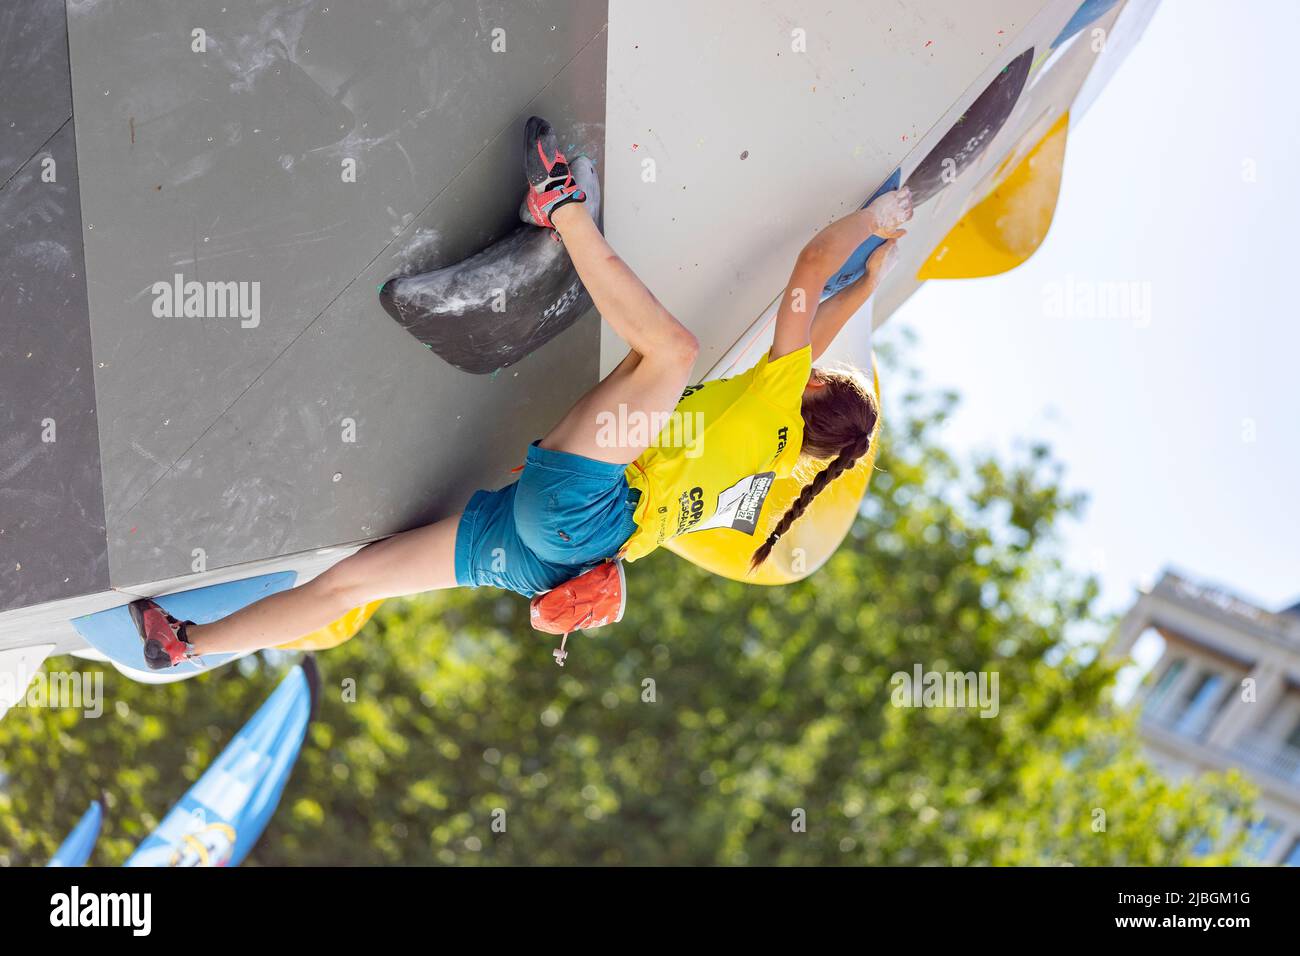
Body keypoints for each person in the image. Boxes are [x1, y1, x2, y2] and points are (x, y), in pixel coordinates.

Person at [130, 117, 913, 669]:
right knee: (350, 585)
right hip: (551, 563)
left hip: (586, 515)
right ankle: (186, 645)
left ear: (814, 385)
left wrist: (874, 224)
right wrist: (863, 291)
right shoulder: (773, 466)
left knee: (672, 353)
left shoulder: (779, 395)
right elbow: (814, 332)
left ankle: (559, 207)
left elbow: (813, 266)